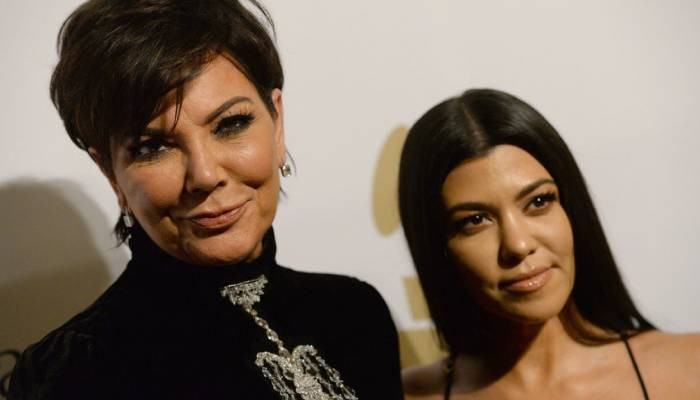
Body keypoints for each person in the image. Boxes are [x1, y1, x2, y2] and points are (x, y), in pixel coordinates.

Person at [9, 1, 402, 398]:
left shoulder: (354, 312)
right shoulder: (77, 368)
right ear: (111, 172)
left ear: (277, 123)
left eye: (231, 124)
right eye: (153, 147)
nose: (205, 175)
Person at [398, 88, 700, 399]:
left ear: (571, 208)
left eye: (538, 201)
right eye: (475, 220)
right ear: (438, 247)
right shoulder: (404, 394)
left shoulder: (692, 369)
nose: (518, 244)